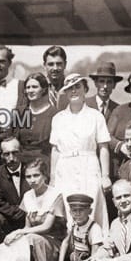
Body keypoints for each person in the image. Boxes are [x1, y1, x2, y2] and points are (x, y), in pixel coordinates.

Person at [50, 73, 112, 229]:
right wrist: (52, 179)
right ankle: (73, 248)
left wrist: (105, 176)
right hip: (65, 168)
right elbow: (55, 150)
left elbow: (103, 147)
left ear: (85, 89)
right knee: (70, 210)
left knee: (92, 207)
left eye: (77, 87)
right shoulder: (58, 118)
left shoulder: (96, 116)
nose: (74, 91)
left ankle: (98, 245)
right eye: (70, 88)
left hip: (89, 166)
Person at [0, 158, 66, 261]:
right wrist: (15, 236)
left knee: (30, 238)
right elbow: (27, 227)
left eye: (36, 175)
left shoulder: (55, 194)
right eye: (28, 177)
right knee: (9, 244)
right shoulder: (28, 196)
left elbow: (46, 227)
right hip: (33, 239)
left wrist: (18, 232)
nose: (32, 180)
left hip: (53, 244)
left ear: (45, 176)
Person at [0, 137, 29, 255]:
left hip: (32, 218)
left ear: (21, 151)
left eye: (15, 153)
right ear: (1, 155)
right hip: (12, 218)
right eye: (7, 154)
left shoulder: (31, 169)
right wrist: (18, 212)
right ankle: (1, 259)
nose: (11, 158)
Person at [15, 73, 55, 165]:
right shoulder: (20, 112)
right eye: (28, 87)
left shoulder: (54, 114)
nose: (30, 90)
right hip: (21, 162)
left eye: (34, 87)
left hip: (44, 163)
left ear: (44, 89)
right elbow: (12, 137)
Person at [60, 194, 103, 261]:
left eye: (81, 210)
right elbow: (65, 242)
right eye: (74, 210)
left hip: (88, 260)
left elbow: (95, 255)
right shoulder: (72, 223)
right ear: (70, 212)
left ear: (90, 211)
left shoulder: (94, 229)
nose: (78, 214)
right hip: (74, 258)